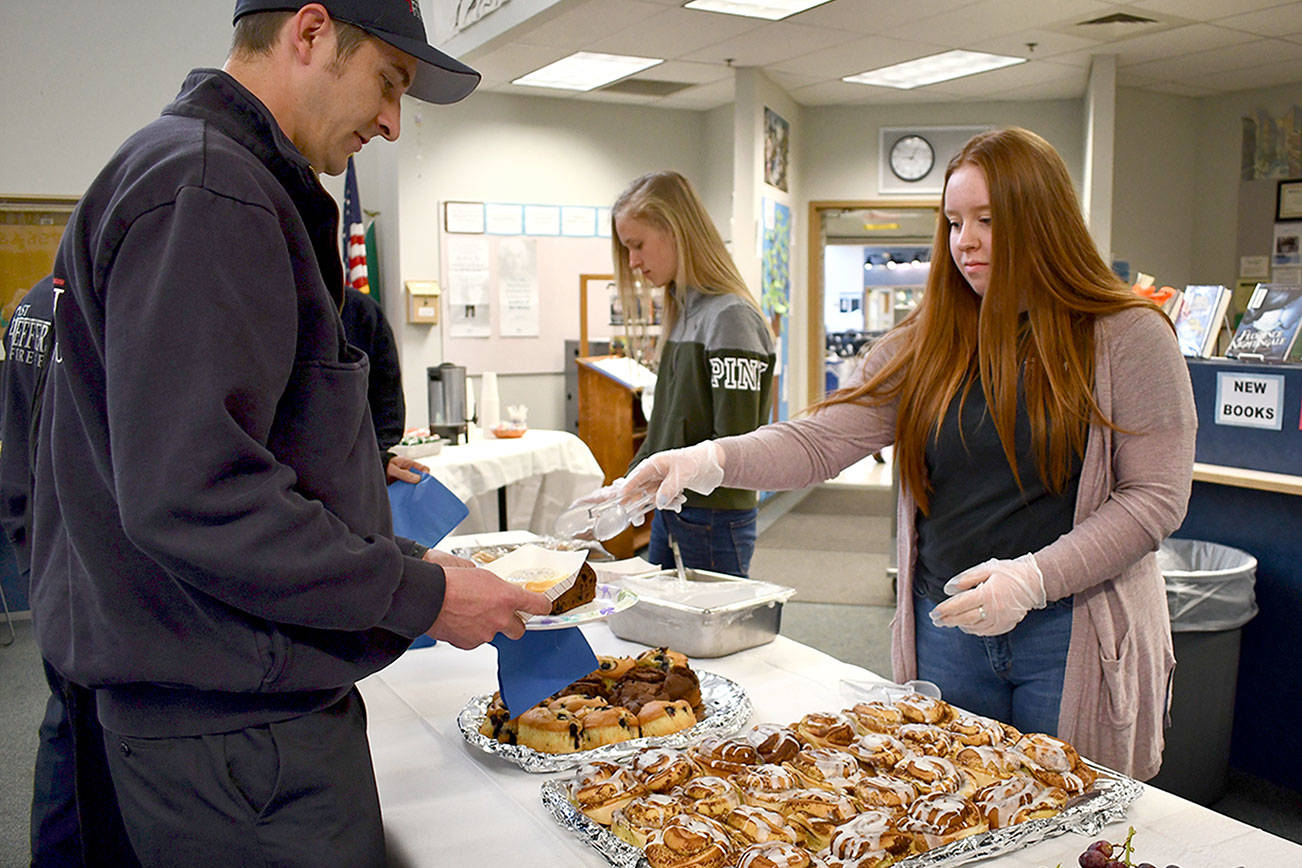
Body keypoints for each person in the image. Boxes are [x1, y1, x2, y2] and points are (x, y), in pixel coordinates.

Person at [29, 3, 551, 865]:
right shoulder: (210, 188)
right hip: (236, 737)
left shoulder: (195, 173)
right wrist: (419, 597)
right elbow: (199, 496)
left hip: (214, 713)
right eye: (389, 81)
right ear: (309, 33)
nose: (390, 122)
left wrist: (409, 564)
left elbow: (245, 458)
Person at [619, 128, 1196, 780]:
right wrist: (708, 459)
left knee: (1067, 819)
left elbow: (1155, 497)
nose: (965, 241)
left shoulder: (1128, 336)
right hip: (946, 627)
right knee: (955, 806)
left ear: (1045, 221)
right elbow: (823, 439)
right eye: (953, 222)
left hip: (1070, 633)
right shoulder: (929, 339)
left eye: (988, 219)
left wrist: (1035, 579)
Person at [2, 278, 141, 867]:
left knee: (67, 735)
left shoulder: (33, 304)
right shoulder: (109, 298)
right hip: (96, 572)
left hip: (51, 557)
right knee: (96, 756)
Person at [610, 170, 775, 577]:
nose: (633, 262)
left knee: (718, 639)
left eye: (638, 245)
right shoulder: (684, 313)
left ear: (675, 231)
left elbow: (736, 446)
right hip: (675, 509)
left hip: (712, 518)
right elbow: (666, 428)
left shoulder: (730, 317)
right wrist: (627, 486)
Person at [339, 286, 425, 483]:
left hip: (355, 476)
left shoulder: (361, 310)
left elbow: (388, 408)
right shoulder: (269, 309)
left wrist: (376, 460)